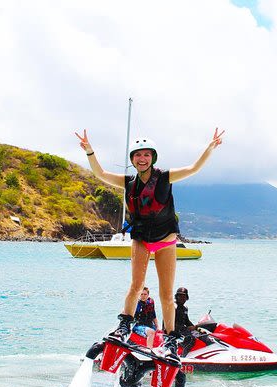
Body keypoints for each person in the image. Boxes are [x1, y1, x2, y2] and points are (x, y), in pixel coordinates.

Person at [75, 128, 224, 360]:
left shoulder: (165, 177)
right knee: (136, 285)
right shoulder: (128, 182)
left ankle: (171, 339)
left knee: (166, 293)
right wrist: (89, 151)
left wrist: (210, 147)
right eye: (137, 155)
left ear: (152, 157)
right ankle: (124, 326)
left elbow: (194, 168)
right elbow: (100, 173)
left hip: (165, 241)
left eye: (146, 155)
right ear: (132, 159)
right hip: (141, 239)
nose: (141, 159)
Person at [173, 287, 197, 357]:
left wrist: (196, 328)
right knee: (191, 339)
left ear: (187, 298)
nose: (182, 298)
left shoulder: (185, 308)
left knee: (200, 335)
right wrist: (187, 329)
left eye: (184, 296)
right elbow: (170, 323)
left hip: (182, 329)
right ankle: (183, 357)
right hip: (173, 330)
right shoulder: (174, 306)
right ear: (176, 297)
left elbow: (187, 321)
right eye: (180, 296)